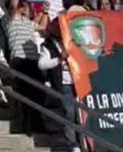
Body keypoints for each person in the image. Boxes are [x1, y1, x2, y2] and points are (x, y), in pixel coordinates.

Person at [7, 0, 49, 135]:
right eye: (26, 6)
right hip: (20, 60)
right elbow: (12, 5)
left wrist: (45, 11)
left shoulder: (28, 23)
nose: (29, 9)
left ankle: (38, 123)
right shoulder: (11, 20)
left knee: (40, 92)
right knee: (25, 93)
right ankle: (26, 125)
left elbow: (43, 27)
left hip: (33, 61)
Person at [38, 17, 79, 152]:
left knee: (81, 114)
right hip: (64, 83)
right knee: (69, 114)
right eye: (59, 27)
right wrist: (59, 58)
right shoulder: (48, 45)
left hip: (78, 82)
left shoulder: (75, 42)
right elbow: (42, 64)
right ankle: (73, 144)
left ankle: (83, 141)